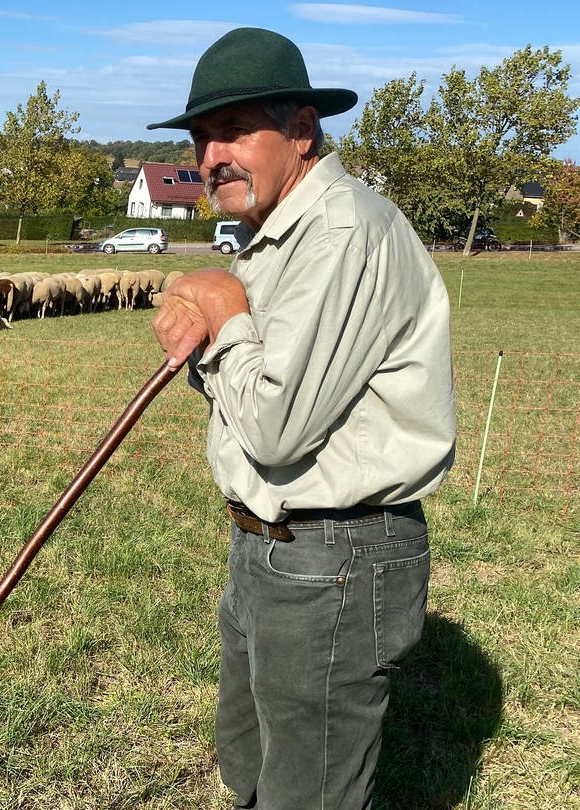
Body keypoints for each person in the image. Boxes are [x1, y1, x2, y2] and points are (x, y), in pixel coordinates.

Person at [147, 28, 457, 810]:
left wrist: (222, 314)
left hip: (336, 553)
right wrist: (211, 332)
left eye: (235, 129)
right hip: (265, 543)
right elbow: (255, 394)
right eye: (201, 136)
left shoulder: (346, 232)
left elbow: (279, 427)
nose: (212, 154)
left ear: (302, 130)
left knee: (307, 790)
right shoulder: (270, 239)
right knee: (248, 763)